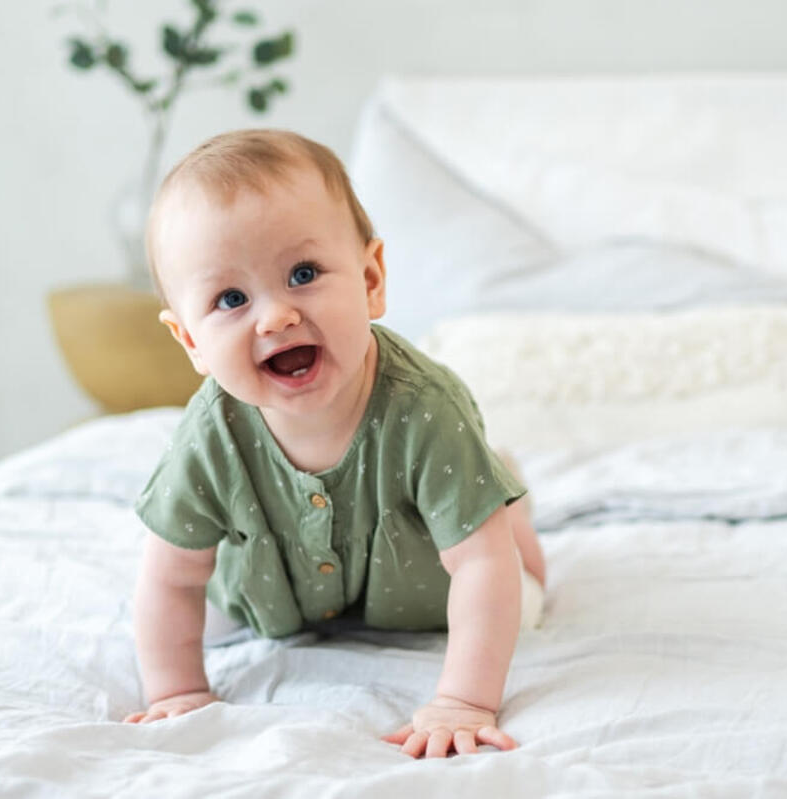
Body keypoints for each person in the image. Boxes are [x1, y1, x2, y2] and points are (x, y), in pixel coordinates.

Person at [123, 129, 546, 759]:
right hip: (272, 594)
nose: (275, 317)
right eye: (230, 299)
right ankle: (485, 488)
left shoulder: (425, 409)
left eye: (303, 274)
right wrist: (178, 690)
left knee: (525, 593)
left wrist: (462, 700)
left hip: (421, 588)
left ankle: (500, 497)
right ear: (189, 342)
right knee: (201, 618)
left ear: (372, 278)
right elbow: (170, 580)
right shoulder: (209, 434)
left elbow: (481, 568)